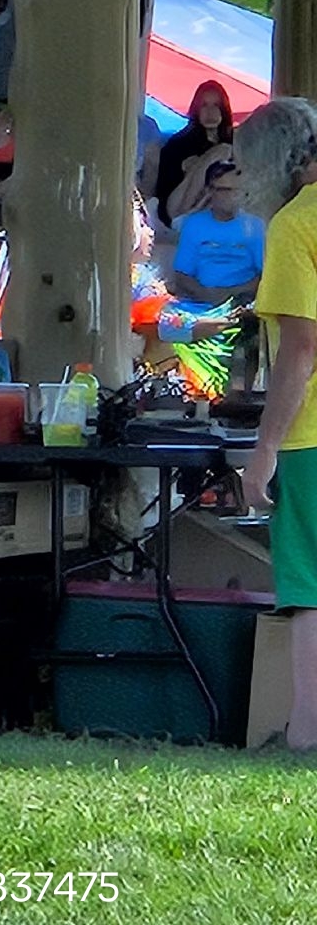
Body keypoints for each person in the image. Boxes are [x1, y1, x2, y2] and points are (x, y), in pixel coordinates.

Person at [238, 96, 317, 752]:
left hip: (314, 435)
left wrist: (263, 449)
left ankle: (306, 734)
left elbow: (301, 346)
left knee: (311, 586)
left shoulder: (295, 224)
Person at [170, 161, 264, 308]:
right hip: (201, 304)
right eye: (225, 190)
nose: (233, 196)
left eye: (237, 190)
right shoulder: (193, 225)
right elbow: (182, 275)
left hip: (244, 304)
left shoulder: (255, 226)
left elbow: (264, 274)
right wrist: (207, 295)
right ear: (210, 191)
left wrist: (232, 294)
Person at [154, 80, 234, 229]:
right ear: (196, 109)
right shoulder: (177, 146)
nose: (210, 112)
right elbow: (165, 203)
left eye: (216, 105)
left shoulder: (235, 143)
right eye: (204, 105)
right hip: (183, 215)